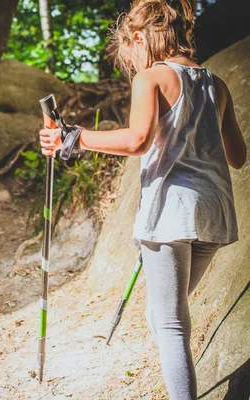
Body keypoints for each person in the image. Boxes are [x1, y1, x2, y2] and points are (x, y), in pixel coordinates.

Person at [39, 0, 246, 399]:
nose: (133, 66)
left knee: (169, 322)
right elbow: (238, 157)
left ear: (138, 37)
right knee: (163, 313)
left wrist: (74, 137)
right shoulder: (216, 84)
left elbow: (137, 139)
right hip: (215, 216)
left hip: (170, 211)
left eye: (130, 55)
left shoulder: (152, 78)